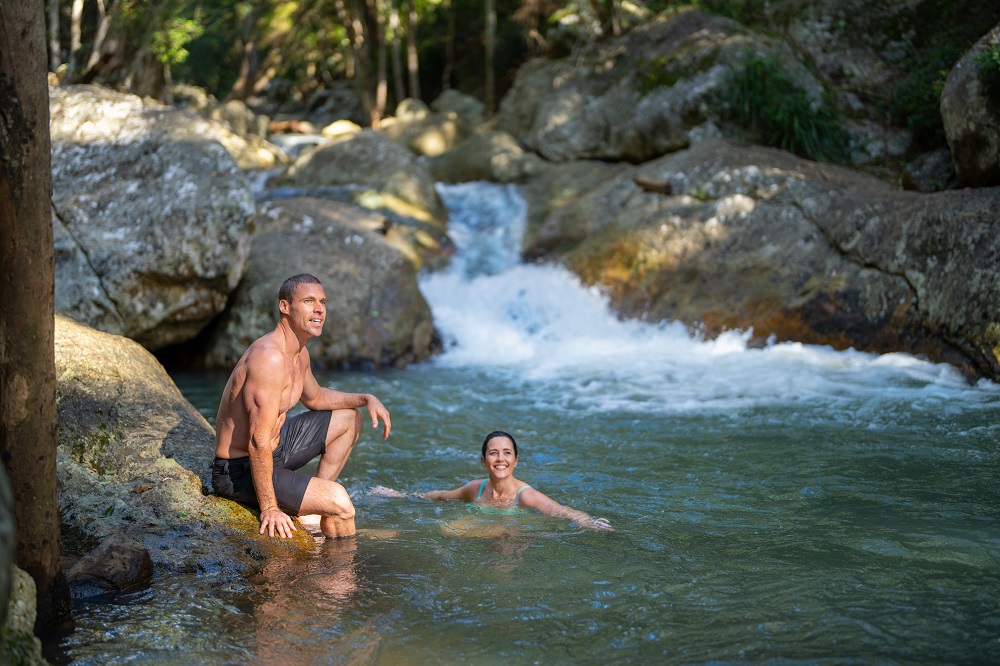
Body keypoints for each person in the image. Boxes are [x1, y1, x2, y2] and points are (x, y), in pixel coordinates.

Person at [212, 273, 392, 539]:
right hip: (240, 470)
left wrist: (366, 399)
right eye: (309, 301)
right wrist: (270, 508)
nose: (319, 309)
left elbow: (316, 398)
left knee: (349, 418)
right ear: (285, 307)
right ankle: (337, 572)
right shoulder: (269, 359)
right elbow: (257, 442)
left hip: (275, 450)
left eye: (322, 302)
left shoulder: (299, 353)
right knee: (341, 503)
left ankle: (312, 505)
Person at [372, 431, 612, 531]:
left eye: (507, 453)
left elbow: (560, 510)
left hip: (511, 535)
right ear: (484, 460)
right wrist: (398, 495)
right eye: (494, 453)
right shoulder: (475, 489)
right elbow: (441, 496)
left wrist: (590, 522)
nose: (500, 459)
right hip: (479, 532)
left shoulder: (525, 496)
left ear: (516, 461)